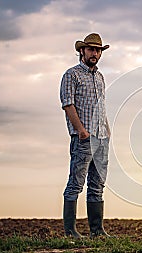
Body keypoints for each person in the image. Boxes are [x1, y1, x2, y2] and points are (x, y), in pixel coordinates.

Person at [59, 33, 111, 238]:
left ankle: (97, 231)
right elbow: (67, 104)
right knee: (76, 183)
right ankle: (70, 231)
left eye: (98, 50)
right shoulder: (71, 75)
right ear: (82, 51)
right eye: (91, 49)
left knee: (98, 184)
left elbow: (100, 106)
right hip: (83, 138)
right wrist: (81, 130)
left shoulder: (100, 77)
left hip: (101, 137)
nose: (95, 53)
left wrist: (107, 130)